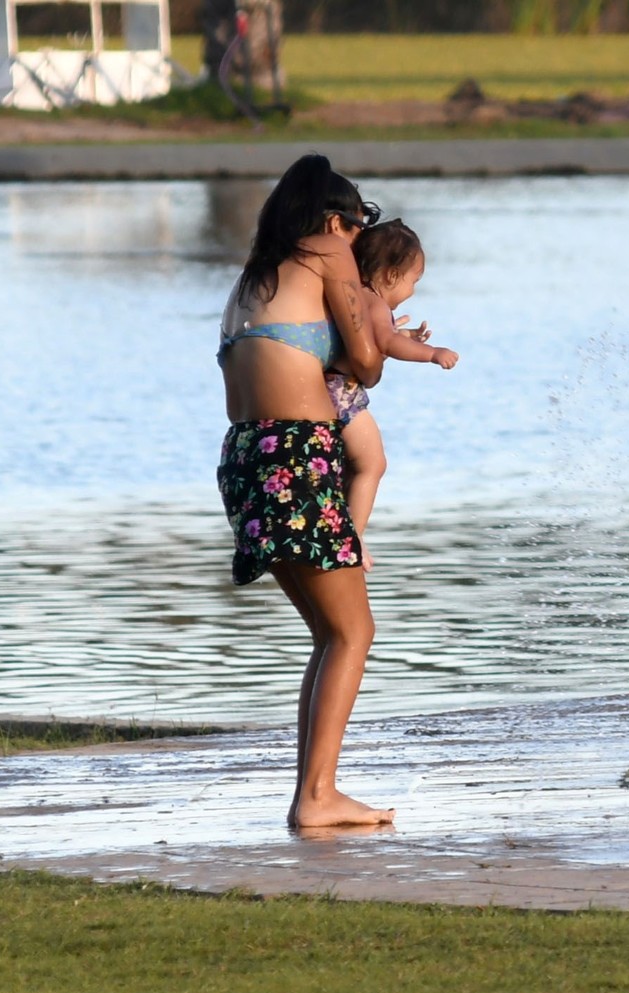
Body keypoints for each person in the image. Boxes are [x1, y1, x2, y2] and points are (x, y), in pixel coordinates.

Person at [215, 153, 395, 829]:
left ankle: (316, 791)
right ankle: (316, 797)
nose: (357, 243)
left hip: (246, 455)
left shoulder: (252, 276)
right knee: (354, 631)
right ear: (331, 220)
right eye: (356, 228)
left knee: (331, 633)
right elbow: (367, 366)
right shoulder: (326, 251)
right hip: (296, 454)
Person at [324, 218, 459, 563]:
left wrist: (405, 337)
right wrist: (431, 354)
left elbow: (377, 337)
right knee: (373, 464)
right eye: (414, 281)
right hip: (341, 394)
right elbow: (384, 341)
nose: (413, 290)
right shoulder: (376, 304)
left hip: (325, 388)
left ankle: (341, 529)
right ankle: (351, 539)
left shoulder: (354, 296)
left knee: (348, 468)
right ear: (390, 276)